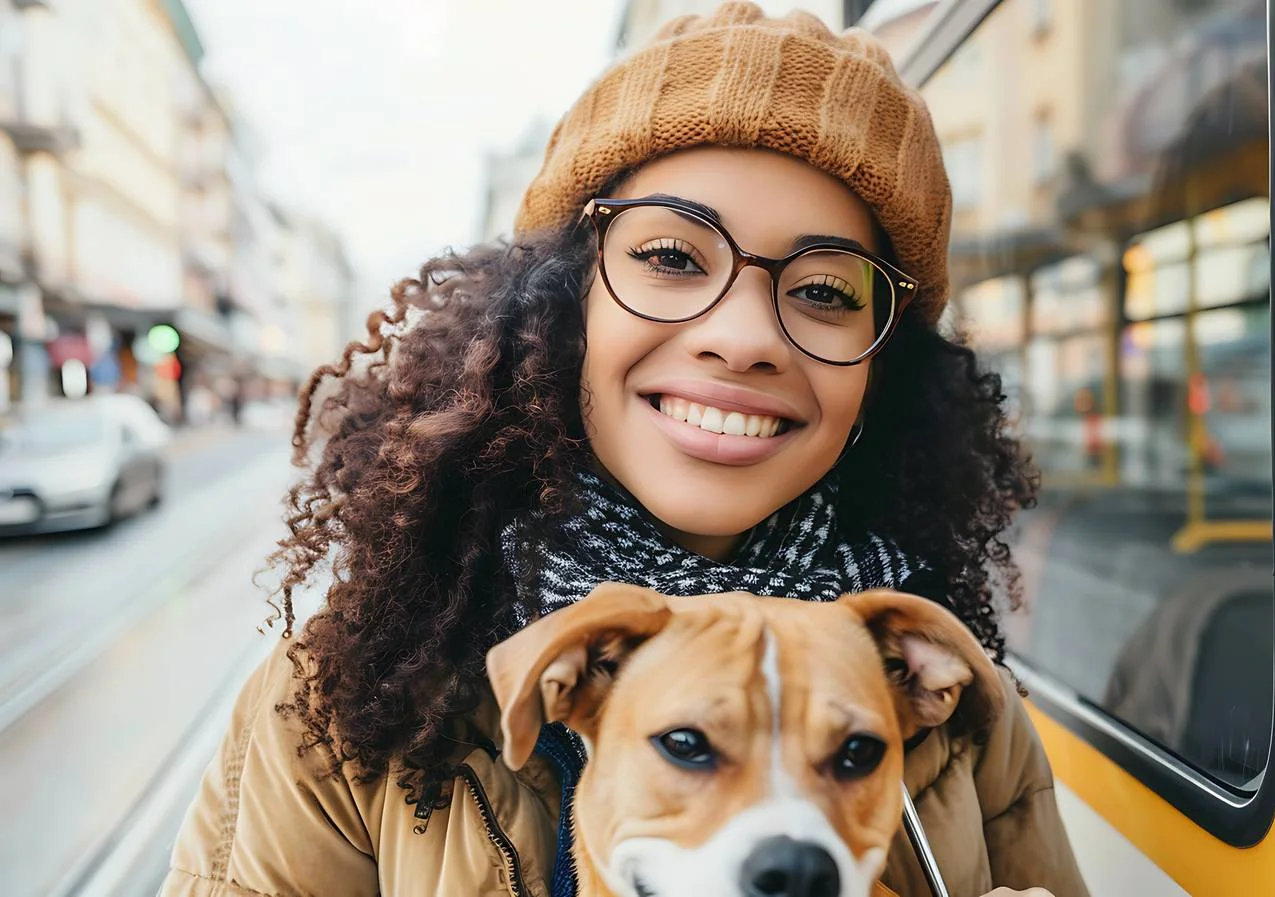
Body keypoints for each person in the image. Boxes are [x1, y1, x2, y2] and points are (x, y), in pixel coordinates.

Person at [160, 5, 1090, 897]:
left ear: (883, 371)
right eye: (673, 257)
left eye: (825, 290)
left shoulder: (960, 705)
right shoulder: (334, 709)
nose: (743, 336)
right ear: (562, 307)